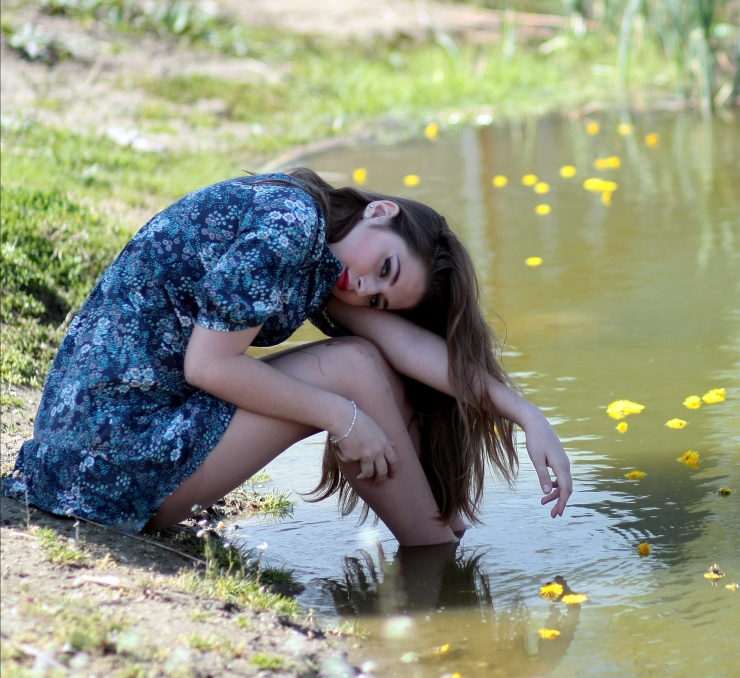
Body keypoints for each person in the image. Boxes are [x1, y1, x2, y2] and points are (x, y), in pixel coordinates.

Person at [1, 168, 573, 546]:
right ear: (381, 211)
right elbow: (209, 367)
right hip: (107, 464)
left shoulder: (322, 254)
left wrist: (527, 415)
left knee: (373, 362)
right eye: (386, 267)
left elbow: (407, 348)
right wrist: (342, 418)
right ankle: (436, 559)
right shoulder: (291, 227)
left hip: (112, 449)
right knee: (353, 369)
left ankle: (437, 540)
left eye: (378, 294)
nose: (364, 285)